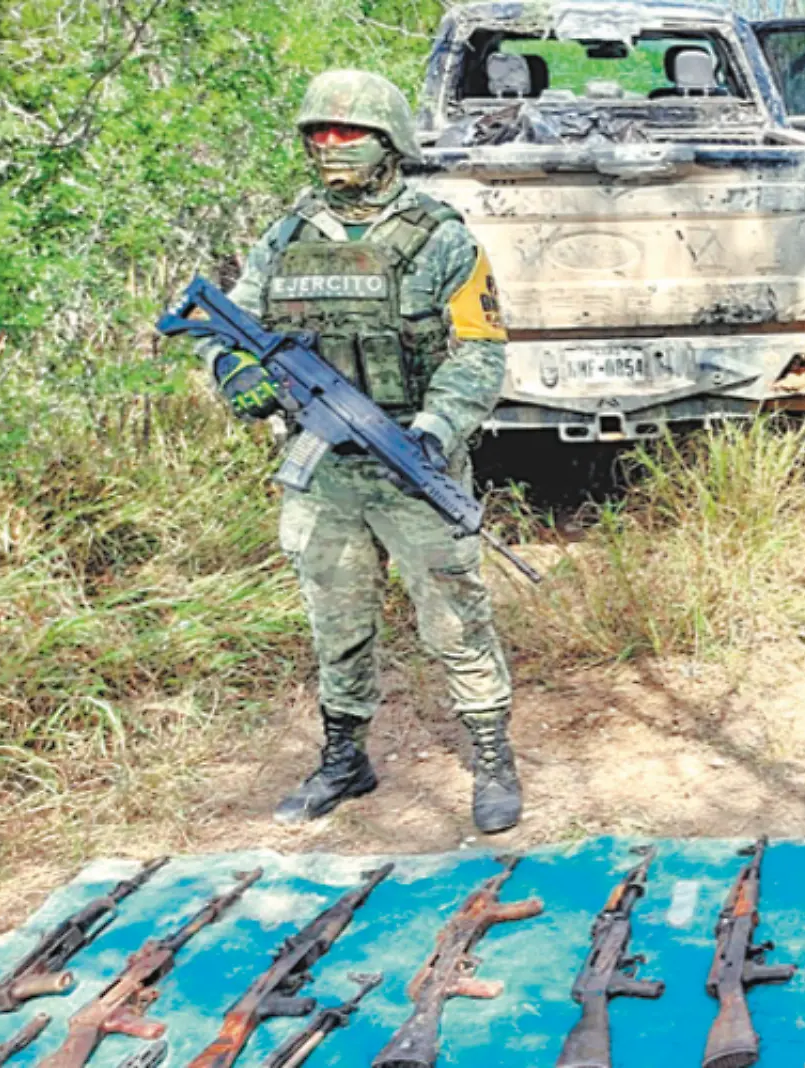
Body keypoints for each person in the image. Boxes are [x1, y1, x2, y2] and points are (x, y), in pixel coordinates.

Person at [208, 70, 522, 832]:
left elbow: (480, 350)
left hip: (413, 461)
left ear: (390, 144)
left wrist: (438, 428)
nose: (330, 146)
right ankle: (345, 758)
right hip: (324, 471)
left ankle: (491, 756)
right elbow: (230, 326)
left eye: (348, 133)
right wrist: (235, 372)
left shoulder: (441, 238)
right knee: (336, 617)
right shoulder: (285, 238)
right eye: (318, 133)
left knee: (454, 615)